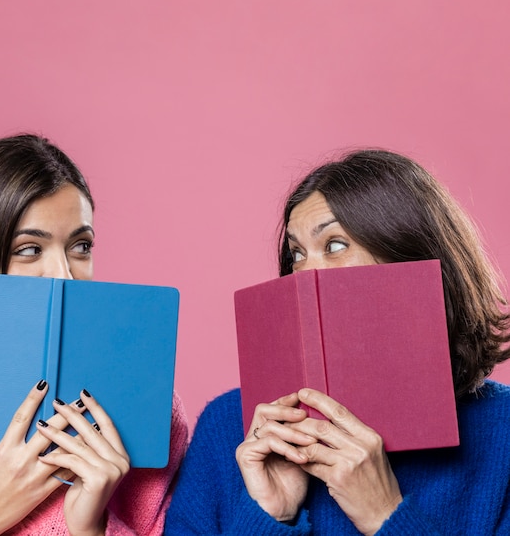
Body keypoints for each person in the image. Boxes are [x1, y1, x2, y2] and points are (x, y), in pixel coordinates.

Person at [164, 148, 510, 535]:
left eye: (334, 245)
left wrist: (385, 515)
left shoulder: (502, 431)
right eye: (297, 254)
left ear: (411, 255)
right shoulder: (229, 428)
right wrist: (269, 516)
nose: (305, 273)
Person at [0, 134, 188, 536]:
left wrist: (93, 529)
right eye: (29, 249)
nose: (63, 274)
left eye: (81, 245)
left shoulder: (151, 412)